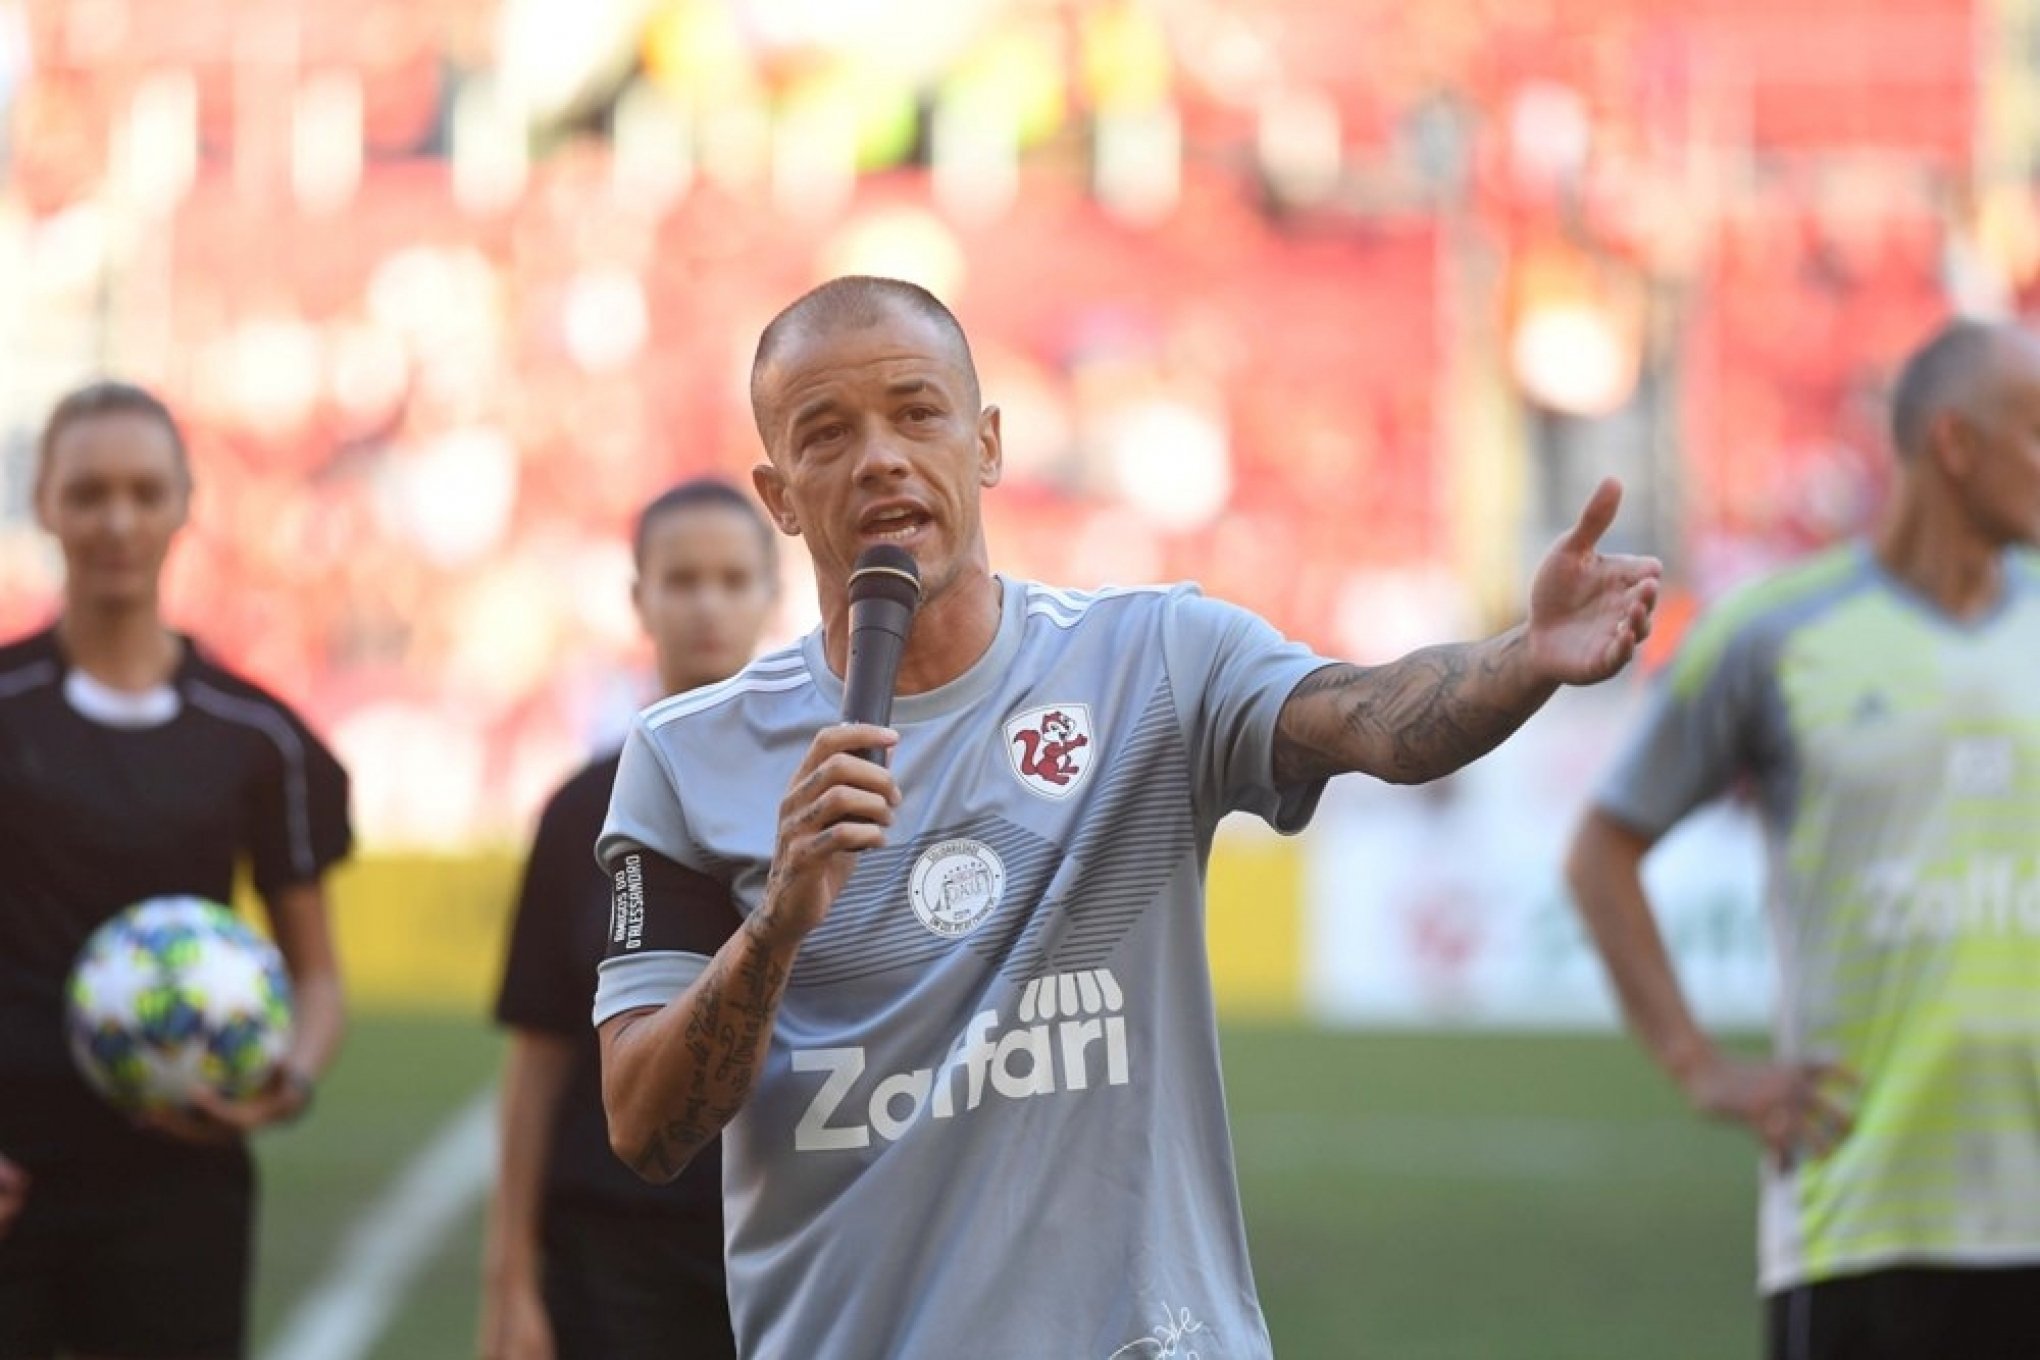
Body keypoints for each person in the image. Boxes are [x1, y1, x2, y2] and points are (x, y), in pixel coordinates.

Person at [591, 275, 1661, 1358]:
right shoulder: (689, 756)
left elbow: (1376, 721)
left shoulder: (1152, 661)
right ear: (779, 496)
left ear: (990, 443)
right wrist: (777, 925)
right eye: (828, 433)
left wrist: (1524, 658)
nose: (880, 456)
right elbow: (646, 1125)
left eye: (918, 411)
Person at [1565, 318, 2040, 1360]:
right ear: (1956, 445)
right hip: (1862, 1218)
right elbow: (1602, 850)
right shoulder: (1774, 633)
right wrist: (1701, 1067)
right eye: (2036, 433)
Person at [0, 381, 352, 1360]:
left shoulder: (256, 736)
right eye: (90, 492)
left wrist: (288, 1076)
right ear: (45, 502)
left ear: (185, 504)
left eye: (145, 492)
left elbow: (316, 977)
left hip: (180, 1189)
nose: (118, 520)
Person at [481, 479, 778, 1360]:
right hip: (612, 1252)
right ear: (638, 597)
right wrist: (509, 1279)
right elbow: (539, 1057)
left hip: (787, 1230)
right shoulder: (579, 812)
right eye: (681, 580)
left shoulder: (826, 787)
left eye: (732, 579)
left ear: (771, 594)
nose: (707, 605)